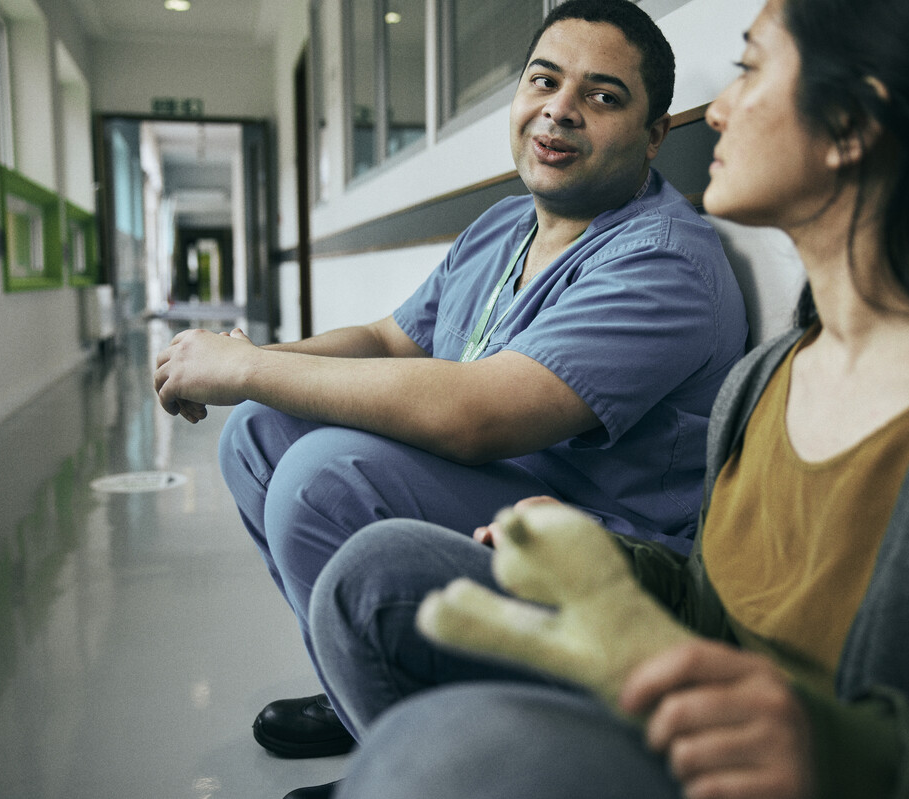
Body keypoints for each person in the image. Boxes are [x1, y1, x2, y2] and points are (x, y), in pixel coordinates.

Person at [306, 0, 909, 796]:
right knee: (373, 574)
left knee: (434, 761)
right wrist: (605, 566)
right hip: (696, 739)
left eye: (752, 67)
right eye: (545, 82)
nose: (717, 111)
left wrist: (837, 756)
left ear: (852, 122)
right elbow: (713, 609)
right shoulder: (766, 382)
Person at [152, 0, 747, 765]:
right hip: (495, 487)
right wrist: (251, 359)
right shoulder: (504, 225)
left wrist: (246, 367)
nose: (559, 111)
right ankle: (369, 686)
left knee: (317, 479)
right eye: (544, 81)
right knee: (259, 431)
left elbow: (479, 416)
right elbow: (386, 340)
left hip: (590, 540)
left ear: (654, 134)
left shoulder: (664, 260)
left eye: (602, 96)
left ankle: (424, 764)